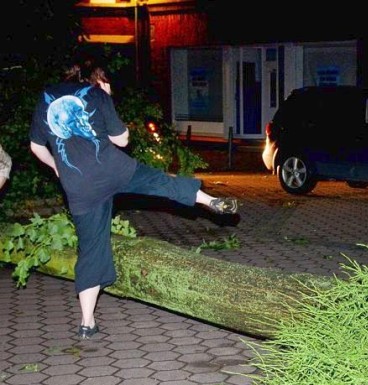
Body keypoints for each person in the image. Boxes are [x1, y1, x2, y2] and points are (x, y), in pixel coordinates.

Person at [29, 58, 238, 340]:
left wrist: (57, 168)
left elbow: (35, 146)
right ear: (96, 78)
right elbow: (123, 140)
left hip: (78, 185)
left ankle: (86, 323)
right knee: (159, 181)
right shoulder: (96, 94)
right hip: (114, 170)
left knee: (91, 248)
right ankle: (208, 200)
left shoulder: (45, 98)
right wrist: (108, 100)